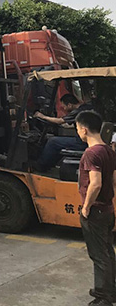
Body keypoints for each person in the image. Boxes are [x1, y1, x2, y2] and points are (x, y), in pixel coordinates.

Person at [76, 110, 116, 305]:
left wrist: (86, 207)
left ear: (84, 129)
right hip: (107, 209)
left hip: (96, 211)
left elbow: (96, 184)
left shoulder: (91, 153)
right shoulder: (109, 151)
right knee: (107, 251)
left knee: (99, 255)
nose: (78, 133)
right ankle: (111, 289)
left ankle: (103, 297)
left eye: (77, 129)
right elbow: (114, 180)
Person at [34, 93, 94, 171]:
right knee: (59, 143)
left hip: (82, 143)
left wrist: (42, 116)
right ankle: (50, 165)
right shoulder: (87, 108)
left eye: (64, 106)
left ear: (69, 105)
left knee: (52, 141)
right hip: (89, 140)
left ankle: (40, 165)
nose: (64, 109)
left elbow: (60, 121)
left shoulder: (77, 112)